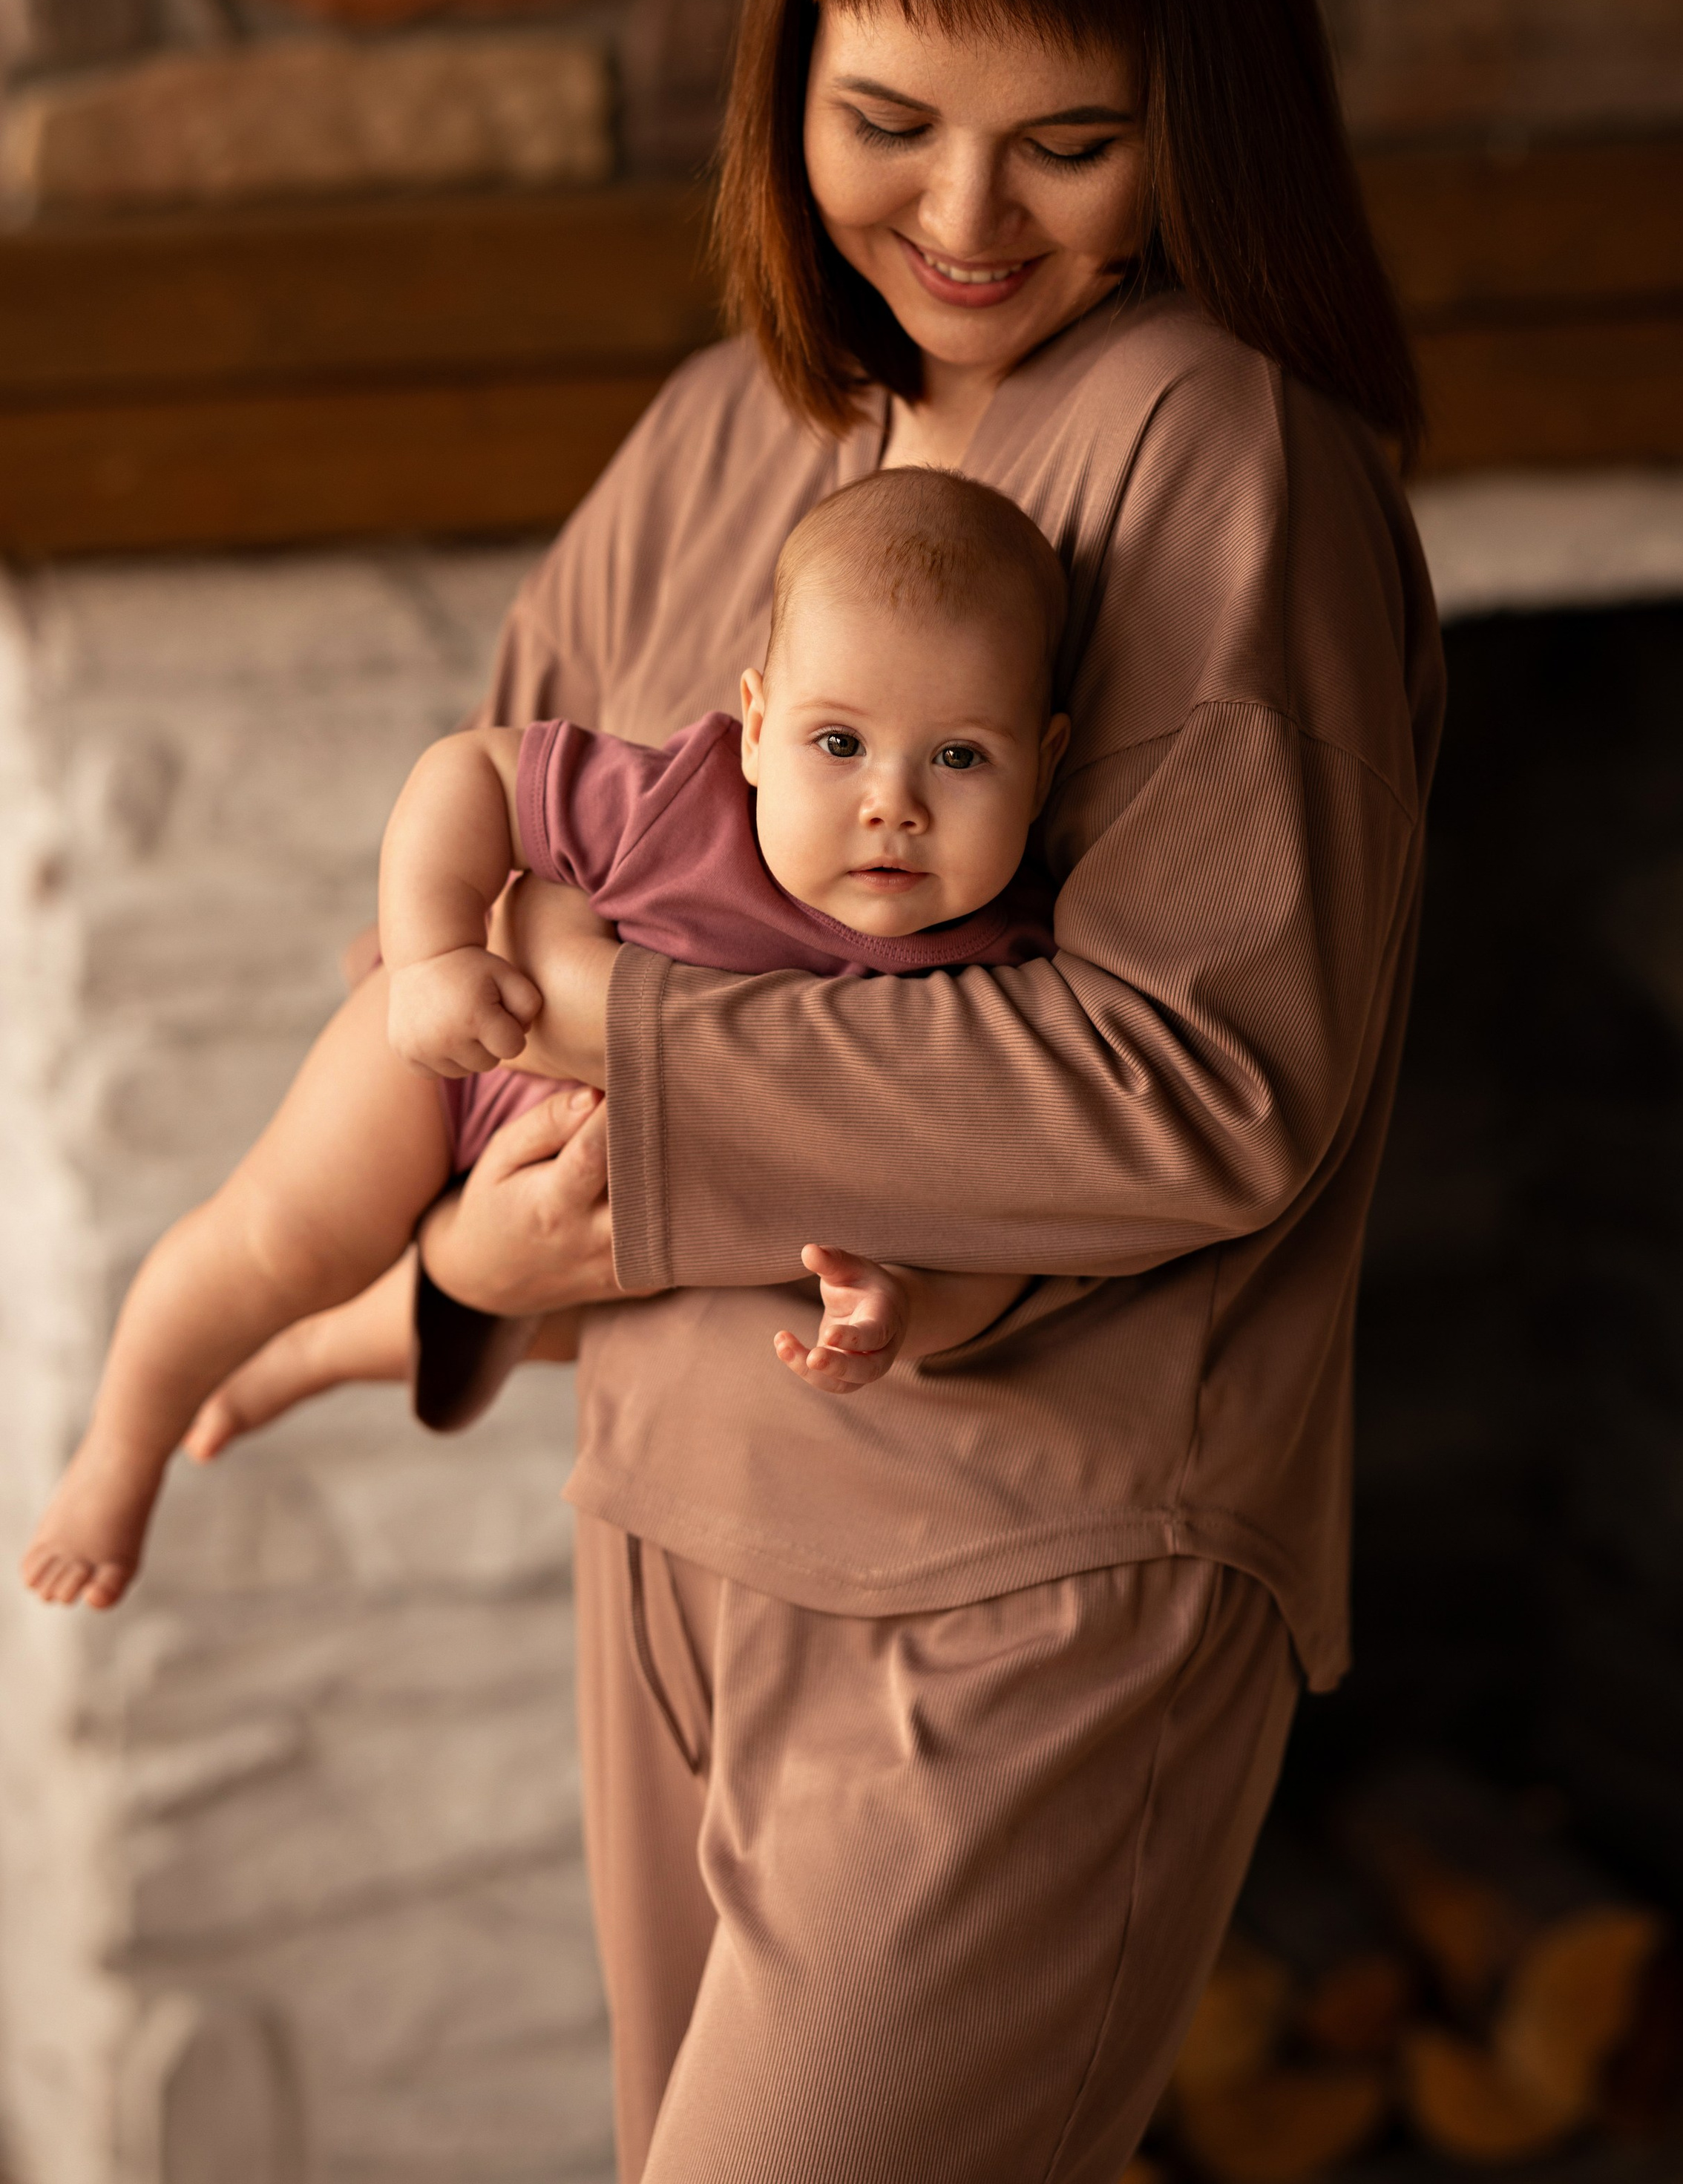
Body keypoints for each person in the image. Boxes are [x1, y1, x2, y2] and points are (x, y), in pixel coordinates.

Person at [187, 0, 1445, 2184]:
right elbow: (476, 926)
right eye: (887, 123)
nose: (964, 221)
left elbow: (1204, 1083)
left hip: (1032, 1595)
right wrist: (436, 1252)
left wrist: (614, 1037)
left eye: (1065, 141)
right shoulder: (720, 437)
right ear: (789, 83)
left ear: (1190, 116)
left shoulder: (1221, 458)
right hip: (671, 1535)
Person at [21, 469, 1071, 1608]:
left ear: (1047, 765)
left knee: (580, 1319)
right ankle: (120, 1448)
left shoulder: (996, 969)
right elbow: (467, 771)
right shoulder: (681, 804)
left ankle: (312, 1354)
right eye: (838, 742)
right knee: (278, 1242)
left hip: (644, 1221)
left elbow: (990, 1214)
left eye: (960, 756)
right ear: (758, 727)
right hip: (461, 1066)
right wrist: (429, 958)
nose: (893, 804)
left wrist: (911, 1305)